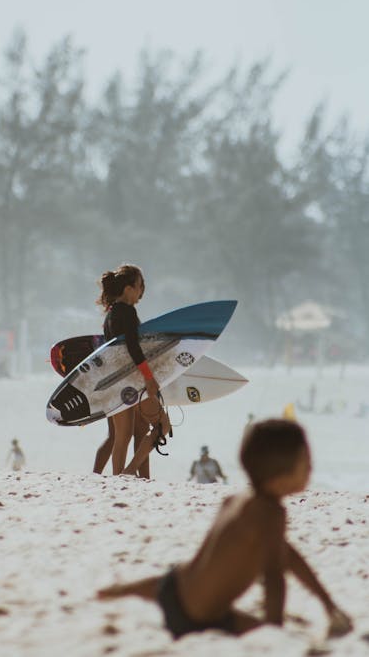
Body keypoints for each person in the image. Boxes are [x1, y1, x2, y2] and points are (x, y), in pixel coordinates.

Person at [97, 419, 352, 640]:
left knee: (167, 586)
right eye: (306, 462)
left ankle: (115, 592)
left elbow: (289, 556)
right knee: (261, 627)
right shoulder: (270, 513)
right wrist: (275, 629)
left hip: (172, 586)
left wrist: (327, 602)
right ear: (280, 475)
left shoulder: (238, 500)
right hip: (198, 618)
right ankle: (118, 593)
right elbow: (274, 576)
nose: (311, 468)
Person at [97, 264, 171, 476]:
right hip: (134, 379)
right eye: (140, 285)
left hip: (115, 380)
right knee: (162, 426)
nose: (142, 291)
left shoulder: (110, 314)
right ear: (128, 288)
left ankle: (119, 479)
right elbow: (133, 347)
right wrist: (148, 378)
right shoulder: (128, 312)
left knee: (123, 437)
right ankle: (130, 472)